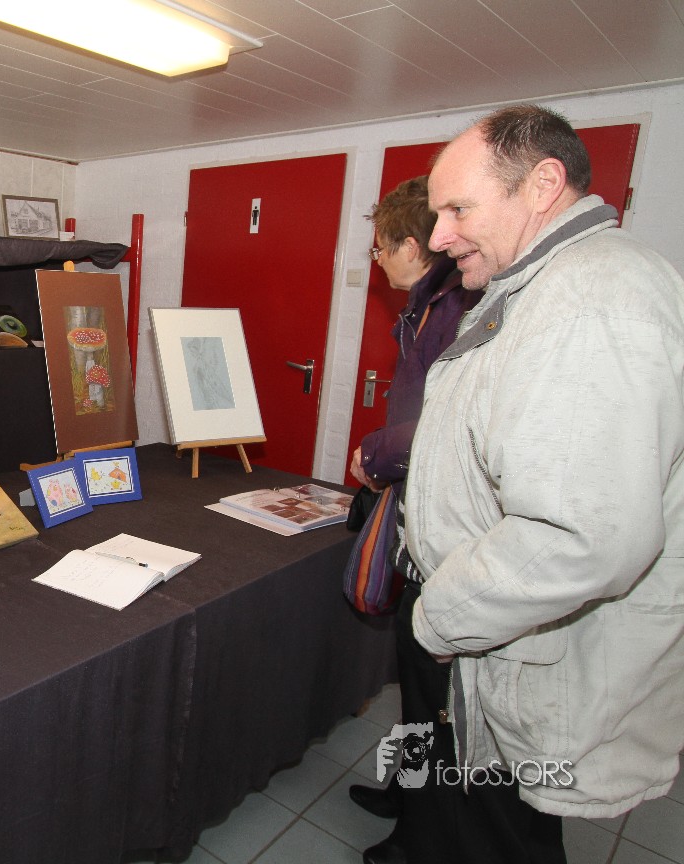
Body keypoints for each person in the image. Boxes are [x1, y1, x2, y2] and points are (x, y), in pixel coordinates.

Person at [403, 103, 684, 862]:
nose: (439, 237)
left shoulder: (590, 301)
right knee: (496, 831)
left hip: (524, 655)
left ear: (542, 185)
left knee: (500, 841)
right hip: (510, 644)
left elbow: (580, 535)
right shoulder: (544, 286)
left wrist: (441, 618)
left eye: (458, 209)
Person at [344, 176, 481, 864]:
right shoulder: (431, 305)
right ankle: (405, 790)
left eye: (379, 248)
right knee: (416, 681)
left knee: (433, 692)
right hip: (421, 512)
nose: (376, 262)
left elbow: (441, 422)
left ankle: (420, 842)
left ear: (410, 244)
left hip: (446, 529)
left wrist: (374, 453)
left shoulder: (454, 308)